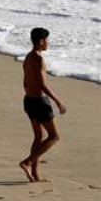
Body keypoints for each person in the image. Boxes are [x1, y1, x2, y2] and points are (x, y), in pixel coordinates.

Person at [19, 27, 67, 182]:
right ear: (41, 41)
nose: (48, 43)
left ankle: (35, 174)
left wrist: (29, 94)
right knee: (54, 136)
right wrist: (57, 100)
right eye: (47, 40)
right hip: (39, 101)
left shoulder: (28, 57)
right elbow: (42, 84)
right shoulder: (39, 59)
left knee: (39, 137)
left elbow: (26, 82)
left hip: (28, 100)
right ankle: (27, 162)